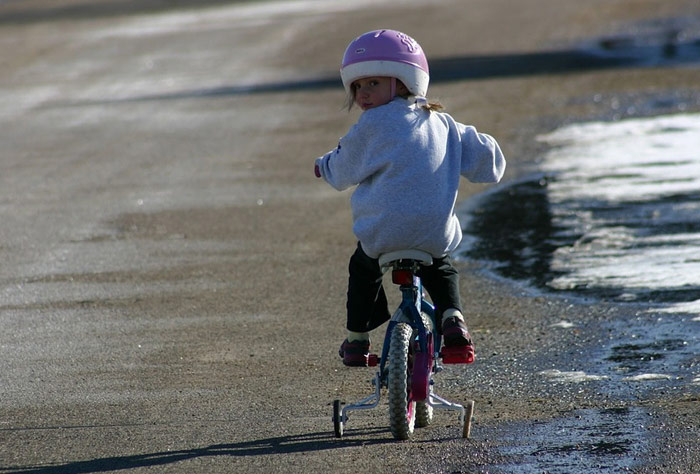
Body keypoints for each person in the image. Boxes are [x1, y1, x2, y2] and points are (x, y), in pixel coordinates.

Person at [314, 29, 506, 367]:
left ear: (404, 82)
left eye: (372, 83)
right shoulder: (445, 125)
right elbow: (488, 161)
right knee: (441, 267)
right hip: (433, 234)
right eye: (357, 86)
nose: (363, 94)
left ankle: (357, 340)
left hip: (383, 234)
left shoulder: (372, 125)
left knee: (364, 267)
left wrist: (323, 166)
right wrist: (492, 155)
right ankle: (453, 320)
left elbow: (342, 169)